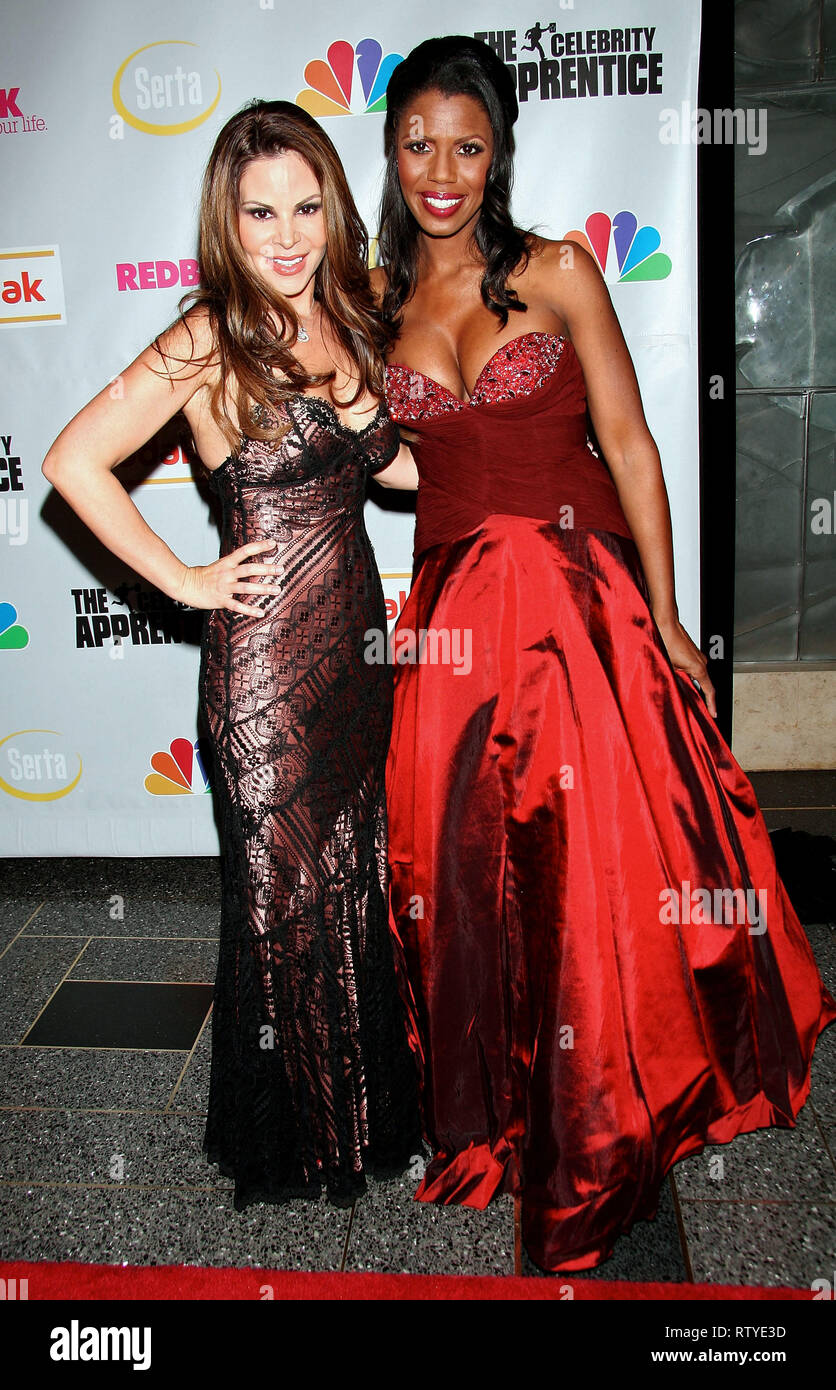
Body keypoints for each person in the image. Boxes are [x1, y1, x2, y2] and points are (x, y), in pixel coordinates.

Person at [373, 37, 836, 1272]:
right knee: (463, 876)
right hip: (455, 637)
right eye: (418, 139)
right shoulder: (376, 306)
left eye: (465, 145)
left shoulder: (562, 270)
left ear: (496, 154)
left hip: (578, 617)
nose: (441, 169)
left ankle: (616, 1109)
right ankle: (501, 1115)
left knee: (596, 875)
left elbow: (628, 448)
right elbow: (422, 459)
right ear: (391, 146)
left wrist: (671, 617)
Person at [42, 99, 421, 1210]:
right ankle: (290, 1138)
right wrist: (188, 581)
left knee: (346, 880)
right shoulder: (208, 334)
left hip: (354, 647)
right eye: (260, 212)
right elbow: (73, 462)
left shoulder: (350, 318)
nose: (287, 233)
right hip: (262, 667)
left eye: (305, 206)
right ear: (227, 218)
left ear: (334, 208)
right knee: (280, 895)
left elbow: (394, 473)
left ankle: (357, 1119)